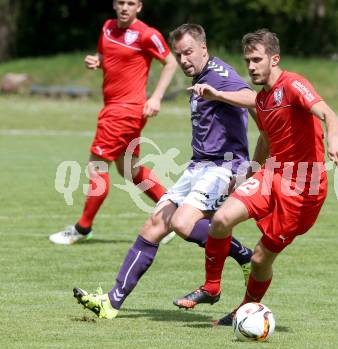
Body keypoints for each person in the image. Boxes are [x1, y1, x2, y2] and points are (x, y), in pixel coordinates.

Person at [72, 23, 256, 319]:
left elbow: (252, 98)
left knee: (183, 224)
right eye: (179, 54)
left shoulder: (220, 75)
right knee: (153, 226)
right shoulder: (199, 76)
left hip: (225, 166)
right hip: (198, 165)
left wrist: (218, 95)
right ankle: (111, 303)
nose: (183, 60)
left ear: (204, 49)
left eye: (189, 53)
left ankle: (245, 255)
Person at [174, 29, 338, 326]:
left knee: (259, 260)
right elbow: (266, 139)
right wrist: (251, 171)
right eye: (248, 61)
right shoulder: (264, 99)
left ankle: (244, 310)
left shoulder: (293, 85)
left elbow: (330, 115)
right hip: (273, 175)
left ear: (274, 59)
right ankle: (212, 287)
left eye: (257, 60)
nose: (251, 66)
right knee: (220, 220)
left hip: (303, 190)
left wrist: (334, 140)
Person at [49, 0, 178, 245]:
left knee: (97, 166)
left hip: (124, 111)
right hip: (114, 108)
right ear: (114, 5)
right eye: (121, 2)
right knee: (129, 169)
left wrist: (156, 97)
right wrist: (96, 62)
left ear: (139, 6)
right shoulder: (108, 27)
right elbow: (103, 55)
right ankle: (174, 216)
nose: (125, 7)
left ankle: (82, 227)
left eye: (131, 3)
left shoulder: (147, 34)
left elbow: (170, 63)